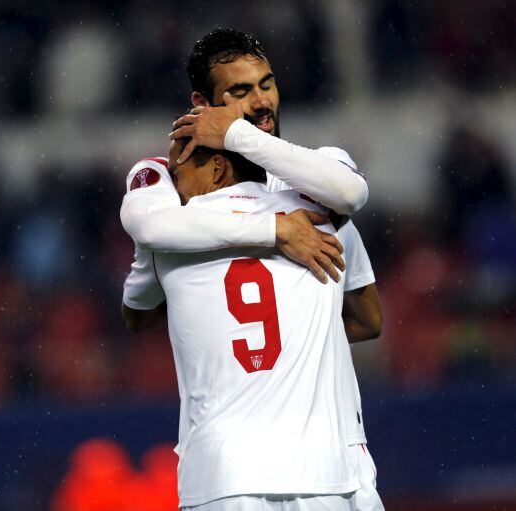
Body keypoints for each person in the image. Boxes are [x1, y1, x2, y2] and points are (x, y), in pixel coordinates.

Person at [120, 28, 383, 510]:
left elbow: (141, 289)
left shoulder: (318, 177)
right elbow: (368, 317)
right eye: (240, 92)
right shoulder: (313, 205)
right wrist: (276, 231)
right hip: (327, 468)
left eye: (267, 84)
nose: (262, 102)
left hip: (233, 473)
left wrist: (236, 133)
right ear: (203, 104)